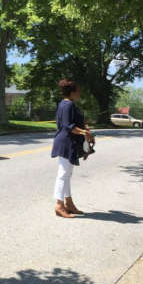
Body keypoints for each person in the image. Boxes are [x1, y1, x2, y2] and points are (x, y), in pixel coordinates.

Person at [51, 79, 94, 218]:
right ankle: (59, 205)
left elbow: (73, 123)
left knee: (67, 174)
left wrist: (84, 129)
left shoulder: (65, 104)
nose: (80, 93)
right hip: (66, 142)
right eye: (78, 91)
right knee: (63, 174)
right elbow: (68, 126)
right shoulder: (68, 104)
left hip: (68, 142)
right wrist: (84, 132)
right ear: (73, 92)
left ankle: (68, 203)